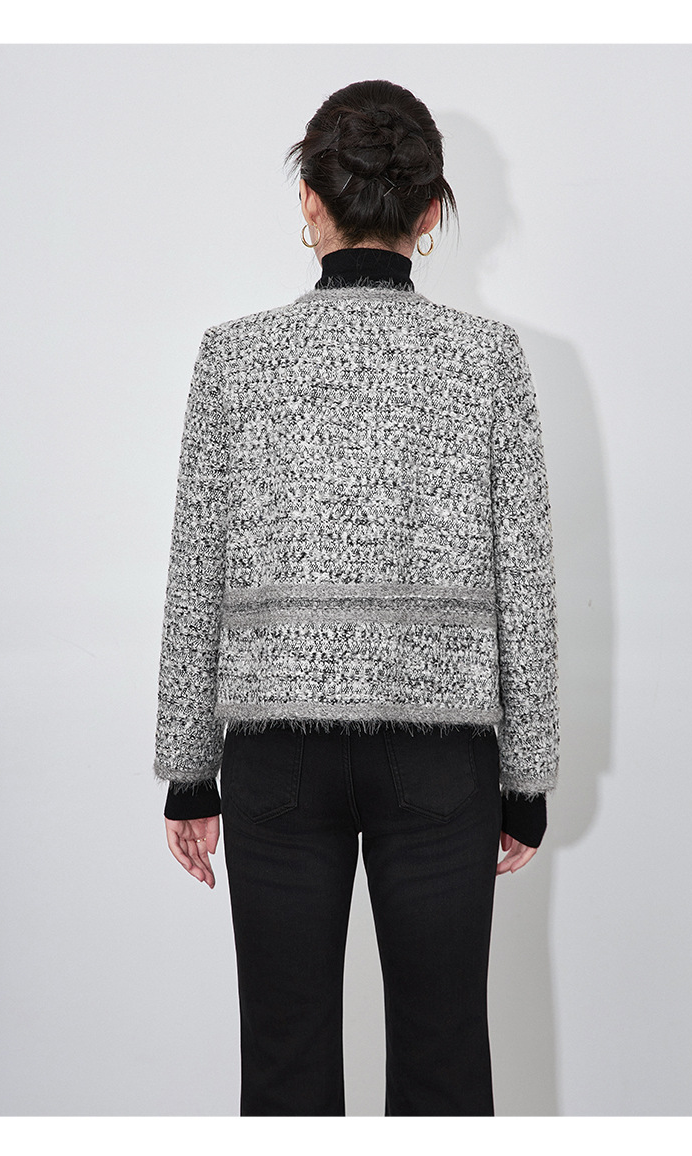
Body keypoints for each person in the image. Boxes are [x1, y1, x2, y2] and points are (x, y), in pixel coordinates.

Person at [154, 79, 558, 1117]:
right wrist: (528, 774)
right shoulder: (487, 361)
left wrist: (189, 770)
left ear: (309, 199)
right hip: (442, 761)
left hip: (275, 759)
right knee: (444, 1067)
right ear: (429, 211)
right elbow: (524, 573)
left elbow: (196, 567)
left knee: (283, 1069)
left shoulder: (233, 357)